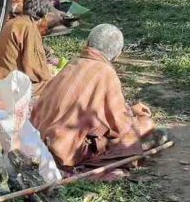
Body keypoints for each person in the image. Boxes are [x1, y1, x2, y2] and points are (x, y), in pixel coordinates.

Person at [31, 24, 156, 169]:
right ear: (117, 55)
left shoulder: (74, 62)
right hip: (61, 151)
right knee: (145, 125)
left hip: (35, 138)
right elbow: (119, 126)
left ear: (87, 43)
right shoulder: (106, 73)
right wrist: (134, 115)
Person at [0, 0, 55, 93]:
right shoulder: (29, 27)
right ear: (43, 14)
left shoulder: (15, 21)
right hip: (7, 84)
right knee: (52, 84)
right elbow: (32, 64)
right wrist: (48, 73)